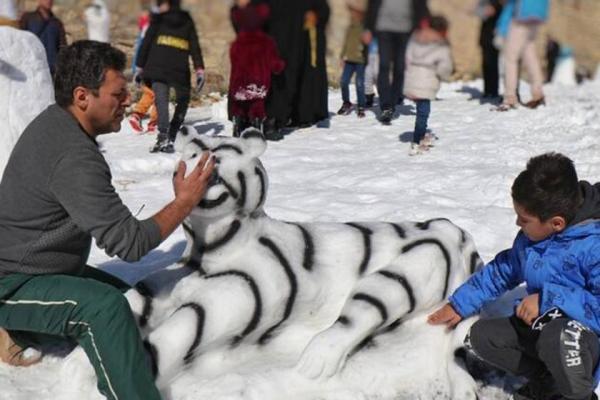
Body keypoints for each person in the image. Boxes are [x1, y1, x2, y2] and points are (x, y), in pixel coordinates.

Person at [0, 40, 215, 400]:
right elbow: (129, 244)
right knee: (107, 310)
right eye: (118, 94)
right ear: (83, 97)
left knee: (134, 300)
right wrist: (184, 203)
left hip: (45, 270)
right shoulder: (73, 156)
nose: (127, 101)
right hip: (11, 285)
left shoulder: (58, 124)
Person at [428, 153, 600, 400]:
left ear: (556, 223)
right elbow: (503, 270)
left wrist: (546, 300)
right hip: (540, 328)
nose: (517, 222)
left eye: (525, 219)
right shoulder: (532, 239)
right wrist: (459, 304)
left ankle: (579, 395)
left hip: (581, 342)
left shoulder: (593, 247)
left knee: (559, 338)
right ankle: (548, 382)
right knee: (482, 337)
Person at [136, 0, 205, 153]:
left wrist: (139, 67)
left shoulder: (158, 19)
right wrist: (199, 69)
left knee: (161, 100)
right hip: (179, 68)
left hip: (157, 66)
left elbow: (146, 43)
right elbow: (194, 45)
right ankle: (173, 131)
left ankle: (163, 136)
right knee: (183, 98)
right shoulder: (186, 19)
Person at [259, 0, 330, 140]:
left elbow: (321, 9)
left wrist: (315, 15)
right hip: (276, 37)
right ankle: (272, 121)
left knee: (300, 76)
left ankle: (300, 115)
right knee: (279, 77)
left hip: (300, 38)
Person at [363, 0, 430, 125]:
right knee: (383, 65)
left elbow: (421, 5)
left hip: (405, 30)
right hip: (383, 28)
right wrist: (367, 28)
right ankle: (386, 106)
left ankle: (393, 101)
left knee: (399, 68)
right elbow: (372, 5)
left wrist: (423, 25)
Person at [228, 0, 285, 137]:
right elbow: (275, 63)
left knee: (239, 105)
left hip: (240, 83)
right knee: (257, 105)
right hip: (258, 83)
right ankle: (256, 127)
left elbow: (234, 61)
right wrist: (280, 66)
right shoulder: (267, 42)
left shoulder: (237, 44)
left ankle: (238, 124)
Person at [403, 15, 452, 156]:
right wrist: (443, 76)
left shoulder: (414, 40)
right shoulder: (441, 46)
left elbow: (407, 57)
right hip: (426, 86)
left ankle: (420, 136)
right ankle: (417, 140)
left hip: (411, 82)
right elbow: (444, 68)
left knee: (420, 111)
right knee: (423, 114)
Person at [495, 0, 549, 111]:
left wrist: (501, 28)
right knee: (530, 55)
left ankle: (510, 98)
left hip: (521, 17)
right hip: (536, 16)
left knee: (510, 58)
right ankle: (538, 93)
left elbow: (510, 4)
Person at [129, 1, 159, 134]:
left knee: (149, 92)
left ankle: (137, 115)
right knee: (159, 93)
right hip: (154, 66)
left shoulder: (144, 30)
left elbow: (138, 49)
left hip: (144, 67)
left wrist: (136, 68)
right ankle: (154, 123)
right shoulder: (155, 28)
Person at [337, 0, 368, 119]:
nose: (353, 15)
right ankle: (346, 102)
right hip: (349, 60)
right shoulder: (350, 27)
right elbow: (345, 43)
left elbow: (368, 44)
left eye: (355, 13)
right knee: (344, 81)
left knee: (359, 83)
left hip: (360, 61)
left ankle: (361, 106)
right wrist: (341, 56)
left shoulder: (365, 27)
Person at [19, 0, 67, 75]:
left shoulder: (57, 23)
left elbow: (63, 48)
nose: (49, 1)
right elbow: (21, 43)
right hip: (33, 69)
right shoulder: (27, 18)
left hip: (52, 70)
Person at [476, 0, 503, 100]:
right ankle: (488, 91)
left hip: (497, 35)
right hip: (486, 36)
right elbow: (479, 11)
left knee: (494, 64)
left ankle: (494, 91)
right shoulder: (486, 2)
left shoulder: (501, 4)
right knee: (487, 64)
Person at [364, 37, 379, 108]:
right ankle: (369, 96)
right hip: (368, 54)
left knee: (378, 75)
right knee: (367, 75)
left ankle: (383, 96)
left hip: (380, 54)